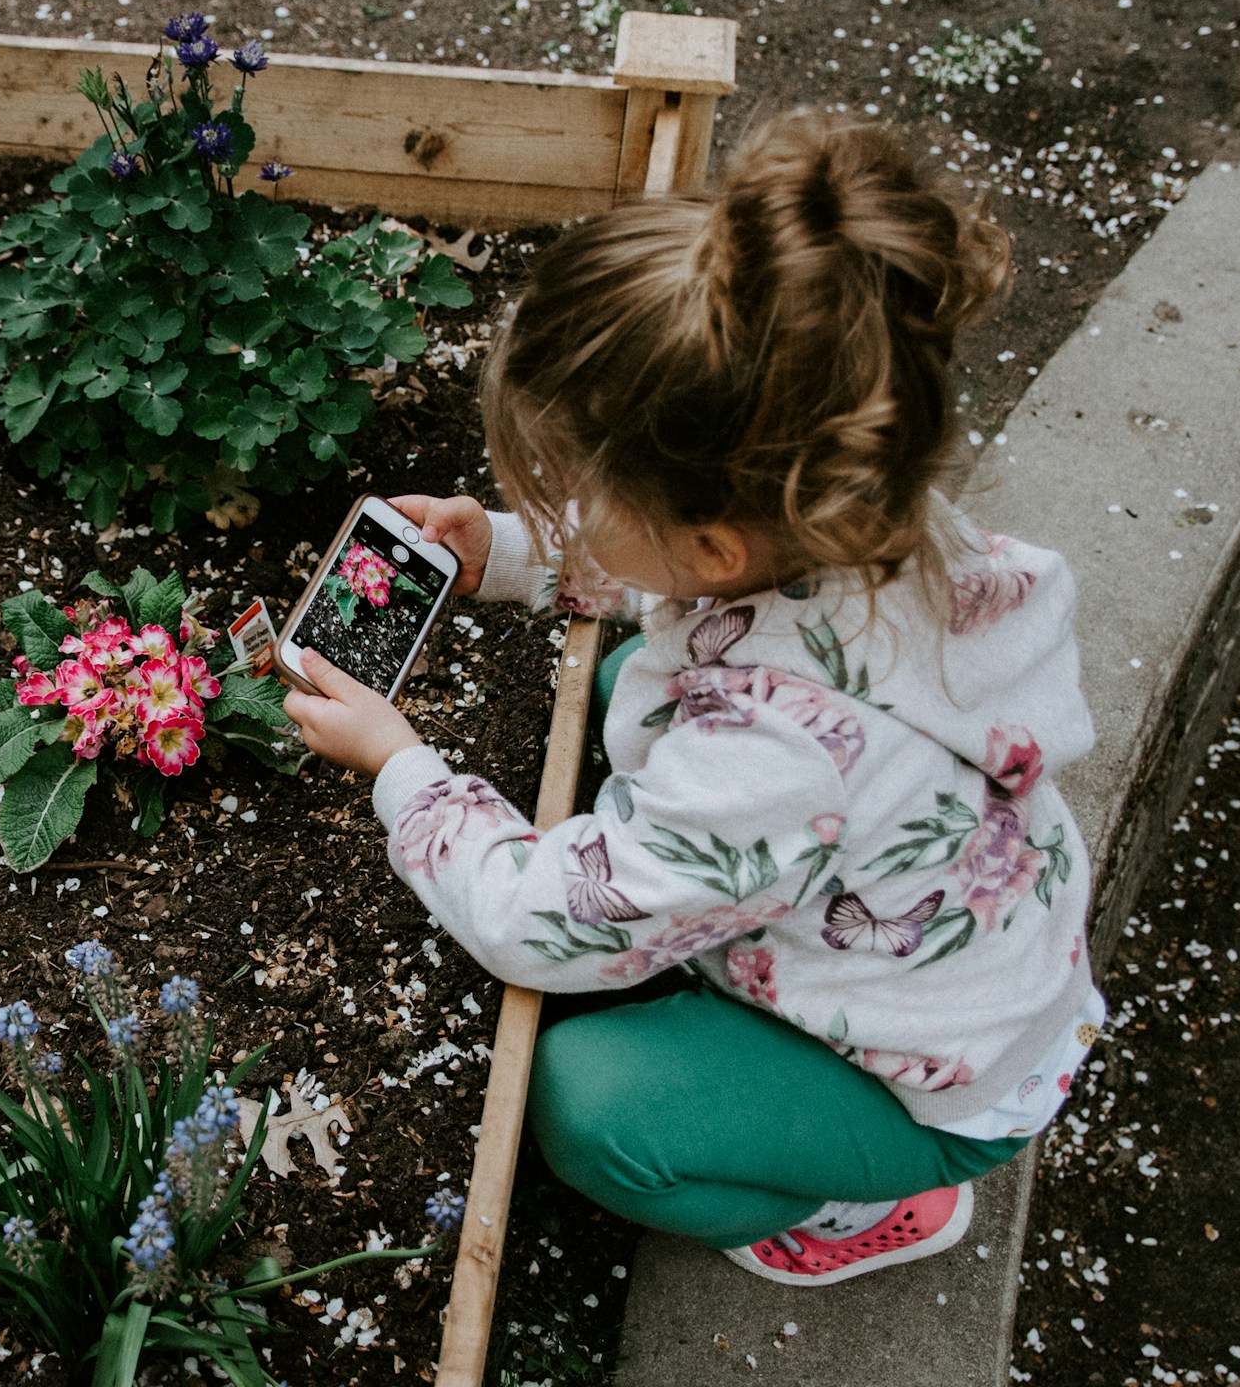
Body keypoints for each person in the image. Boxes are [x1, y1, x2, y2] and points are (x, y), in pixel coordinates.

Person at [282, 112, 1101, 1286]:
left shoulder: (768, 760)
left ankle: (858, 1204)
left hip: (927, 1080)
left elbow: (538, 924)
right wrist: (509, 552)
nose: (558, 496)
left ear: (714, 542)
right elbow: (689, 581)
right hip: (953, 950)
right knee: (630, 679)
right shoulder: (872, 517)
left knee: (587, 1103)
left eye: (573, 486)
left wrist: (403, 766)